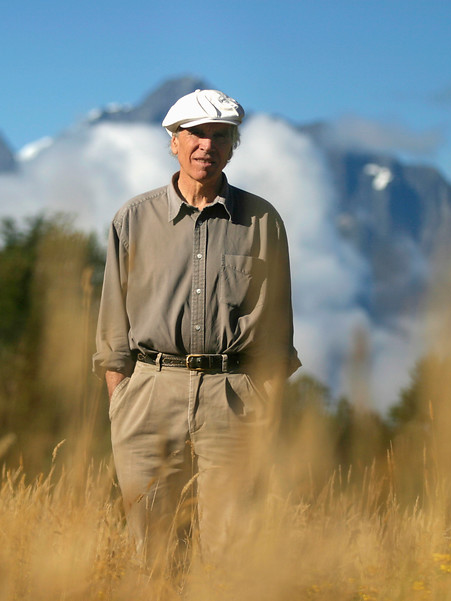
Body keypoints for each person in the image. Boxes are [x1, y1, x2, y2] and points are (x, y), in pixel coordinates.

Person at [93, 89, 300, 568]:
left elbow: (276, 330)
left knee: (232, 552)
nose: (207, 145)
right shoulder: (134, 218)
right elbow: (112, 325)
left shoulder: (262, 220)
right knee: (152, 553)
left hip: (234, 396)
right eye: (196, 134)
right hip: (147, 393)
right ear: (174, 142)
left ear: (233, 146)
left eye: (220, 136)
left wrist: (262, 401)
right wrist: (122, 396)